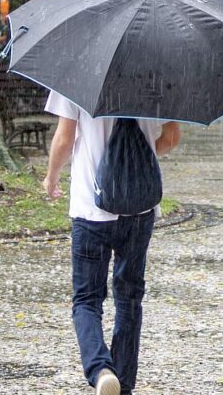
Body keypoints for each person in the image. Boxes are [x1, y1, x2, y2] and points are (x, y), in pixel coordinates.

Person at [43, 92, 181, 395]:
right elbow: (172, 138)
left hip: (91, 208)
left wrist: (51, 176)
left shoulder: (76, 76)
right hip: (139, 208)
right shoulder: (159, 78)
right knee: (129, 298)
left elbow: (64, 139)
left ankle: (101, 369)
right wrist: (137, 158)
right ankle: (124, 384)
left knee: (87, 299)